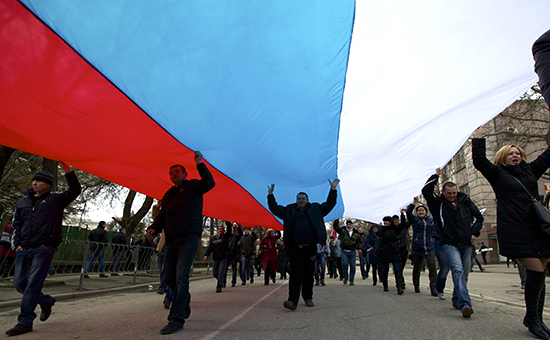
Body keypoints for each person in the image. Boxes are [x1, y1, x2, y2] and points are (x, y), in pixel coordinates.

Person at [472, 46, 550, 337]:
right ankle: (533, 321)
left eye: (519, 152)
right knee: (537, 272)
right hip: (515, 229)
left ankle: (534, 319)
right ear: (503, 158)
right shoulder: (497, 175)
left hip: (538, 227)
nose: (516, 155)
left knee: (539, 274)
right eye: (511, 153)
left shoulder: (532, 170)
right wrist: (478, 135)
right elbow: (479, 160)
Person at [6, 164, 81, 336]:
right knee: (19, 283)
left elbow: (75, 190)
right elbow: (17, 225)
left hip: (43, 247)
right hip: (24, 248)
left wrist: (68, 171)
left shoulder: (56, 200)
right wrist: (16, 245)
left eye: (39, 181)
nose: (34, 183)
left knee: (33, 284)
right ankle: (46, 301)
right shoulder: (22, 202)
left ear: (48, 184)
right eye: (34, 180)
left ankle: (24, 321)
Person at [146, 151, 215, 335]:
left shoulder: (193, 186)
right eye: (171, 173)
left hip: (188, 238)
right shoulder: (168, 194)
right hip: (171, 240)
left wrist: (200, 163)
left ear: (185, 174)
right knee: (168, 277)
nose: (174, 175)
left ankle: (176, 319)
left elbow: (210, 183)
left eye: (177, 172)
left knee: (180, 276)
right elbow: (162, 216)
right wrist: (153, 228)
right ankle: (183, 299)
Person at [267, 179, 339, 310]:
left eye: (303, 198)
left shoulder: (316, 208)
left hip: (310, 247)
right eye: (299, 198)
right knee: (295, 273)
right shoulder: (289, 210)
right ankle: (292, 301)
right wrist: (270, 195)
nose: (301, 200)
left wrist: (333, 190)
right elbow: (275, 209)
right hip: (294, 248)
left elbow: (329, 204)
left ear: (307, 200)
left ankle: (308, 297)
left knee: (308, 273)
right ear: (296, 200)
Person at [422, 169, 483, 318]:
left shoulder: (465, 200)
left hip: (466, 243)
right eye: (449, 193)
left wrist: (474, 233)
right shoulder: (438, 204)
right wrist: (436, 175)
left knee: (465, 273)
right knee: (457, 270)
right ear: (443, 192)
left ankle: (456, 299)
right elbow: (426, 191)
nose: (452, 196)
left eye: (454, 193)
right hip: (449, 243)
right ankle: (465, 304)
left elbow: (478, 218)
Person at [406, 197, 437, 296]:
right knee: (417, 267)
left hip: (429, 247)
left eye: (422, 210)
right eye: (419, 210)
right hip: (417, 247)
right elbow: (408, 214)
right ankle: (416, 285)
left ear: (425, 212)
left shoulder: (431, 220)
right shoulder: (415, 220)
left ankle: (433, 288)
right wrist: (413, 203)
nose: (421, 212)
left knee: (432, 267)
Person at [377, 216, 406, 294]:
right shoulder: (382, 229)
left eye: (387, 221)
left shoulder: (395, 229)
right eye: (384, 221)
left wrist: (403, 214)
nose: (385, 222)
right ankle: (385, 285)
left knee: (397, 270)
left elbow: (403, 224)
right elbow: (378, 234)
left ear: (390, 222)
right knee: (385, 270)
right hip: (385, 252)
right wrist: (381, 227)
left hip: (395, 252)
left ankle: (399, 287)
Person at [203, 223, 233, 292]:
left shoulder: (225, 237)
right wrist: (206, 255)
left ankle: (219, 287)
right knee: (215, 273)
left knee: (221, 273)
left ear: (223, 230)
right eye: (219, 229)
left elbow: (229, 230)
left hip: (223, 257)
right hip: (216, 258)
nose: (220, 230)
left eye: (221, 229)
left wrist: (227, 221)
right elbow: (210, 247)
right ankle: (221, 280)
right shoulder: (214, 239)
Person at [333, 220, 363, 285]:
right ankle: (345, 277)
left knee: (353, 266)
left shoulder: (356, 232)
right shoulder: (342, 230)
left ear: (352, 225)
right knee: (344, 264)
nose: (348, 226)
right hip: (344, 250)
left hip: (352, 250)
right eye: (347, 224)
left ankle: (351, 280)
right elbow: (335, 227)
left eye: (350, 224)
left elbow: (360, 241)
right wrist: (336, 219)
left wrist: (360, 249)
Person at [395, 214, 409, 290]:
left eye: (397, 219)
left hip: (403, 248)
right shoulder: (392, 229)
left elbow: (410, 221)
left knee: (401, 266)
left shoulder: (404, 227)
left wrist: (404, 213)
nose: (396, 221)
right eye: (394, 220)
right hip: (395, 250)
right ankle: (400, 282)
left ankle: (400, 280)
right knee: (398, 267)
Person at [227, 223, 243, 287]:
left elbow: (240, 234)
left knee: (234, 269)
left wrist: (238, 227)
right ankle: (223, 281)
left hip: (233, 254)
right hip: (227, 254)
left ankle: (233, 281)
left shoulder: (235, 236)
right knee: (225, 269)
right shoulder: (227, 237)